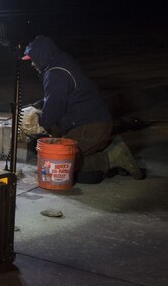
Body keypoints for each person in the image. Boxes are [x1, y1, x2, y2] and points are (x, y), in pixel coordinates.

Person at [21, 35, 142, 181]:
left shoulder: (56, 73)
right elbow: (57, 97)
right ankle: (102, 150)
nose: (32, 64)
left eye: (33, 59)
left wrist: (37, 124)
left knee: (61, 164)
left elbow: (54, 108)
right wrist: (37, 106)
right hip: (88, 122)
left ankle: (112, 157)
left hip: (90, 126)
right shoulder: (59, 62)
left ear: (42, 55)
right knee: (59, 148)